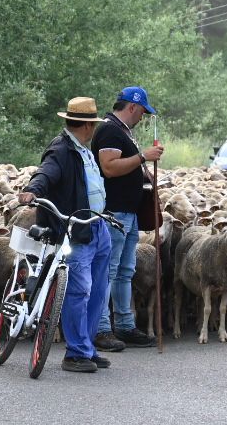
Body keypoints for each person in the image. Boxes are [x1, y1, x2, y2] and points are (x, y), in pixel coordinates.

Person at [19, 96, 113, 374]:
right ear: (86, 126)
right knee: (79, 289)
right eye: (92, 124)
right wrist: (33, 189)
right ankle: (75, 353)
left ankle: (87, 346)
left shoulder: (84, 149)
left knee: (98, 290)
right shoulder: (60, 150)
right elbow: (46, 173)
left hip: (98, 225)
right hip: (76, 227)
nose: (94, 129)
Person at [91, 87, 164, 350]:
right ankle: (101, 329)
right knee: (108, 271)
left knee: (124, 271)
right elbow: (109, 168)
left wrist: (143, 174)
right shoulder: (110, 130)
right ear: (132, 107)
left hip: (129, 212)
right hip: (115, 212)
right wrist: (143, 157)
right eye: (143, 111)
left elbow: (125, 166)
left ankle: (124, 325)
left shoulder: (122, 131)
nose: (143, 117)